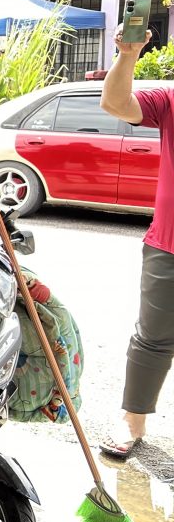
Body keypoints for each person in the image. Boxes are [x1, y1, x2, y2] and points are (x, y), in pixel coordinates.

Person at [97, 28, 174, 460]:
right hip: (169, 244)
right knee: (153, 339)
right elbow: (115, 103)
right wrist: (127, 56)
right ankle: (133, 421)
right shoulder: (170, 99)